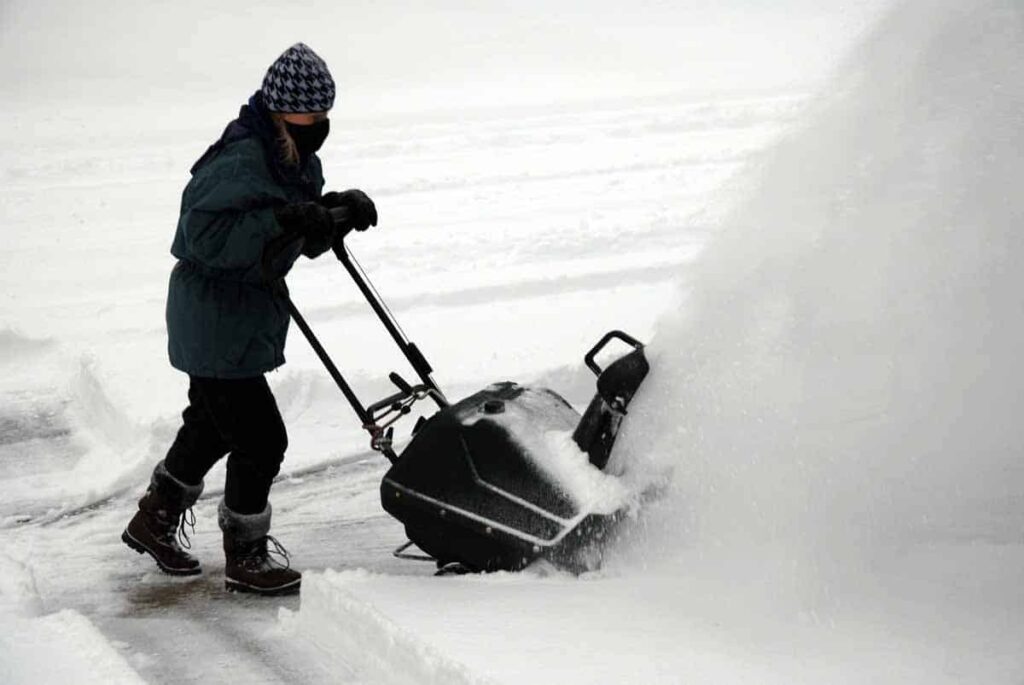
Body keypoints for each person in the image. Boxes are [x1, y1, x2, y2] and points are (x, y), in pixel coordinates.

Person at [121, 43, 377, 596]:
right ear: (283, 111)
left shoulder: (293, 157)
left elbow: (289, 232)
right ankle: (247, 554)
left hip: (237, 316)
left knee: (212, 425)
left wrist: (336, 213)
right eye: (313, 116)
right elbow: (201, 237)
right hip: (212, 317)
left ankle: (155, 518)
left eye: (326, 116)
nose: (321, 126)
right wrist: (281, 220)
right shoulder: (239, 157)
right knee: (261, 439)